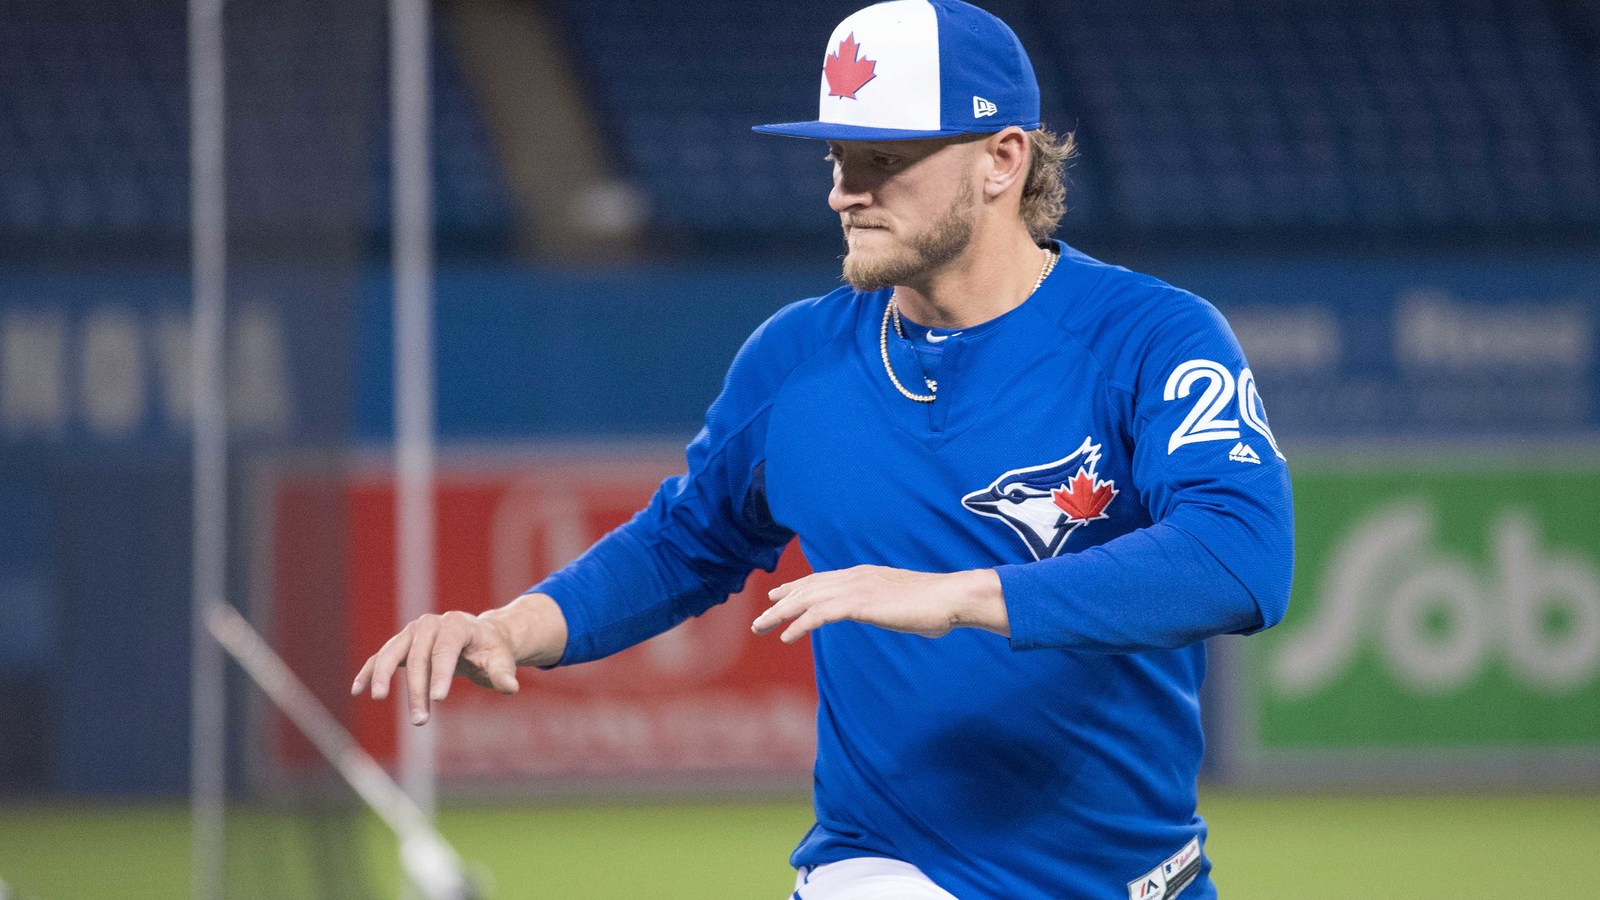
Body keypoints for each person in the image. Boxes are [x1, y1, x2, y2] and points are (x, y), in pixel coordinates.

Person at [352, 1, 1294, 897]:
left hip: (1141, 874)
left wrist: (955, 596)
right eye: (838, 156)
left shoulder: (1148, 337)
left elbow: (1239, 556)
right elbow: (685, 542)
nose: (844, 191)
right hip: (889, 866)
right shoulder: (797, 358)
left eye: (884, 158)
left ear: (1002, 159)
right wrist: (512, 627)